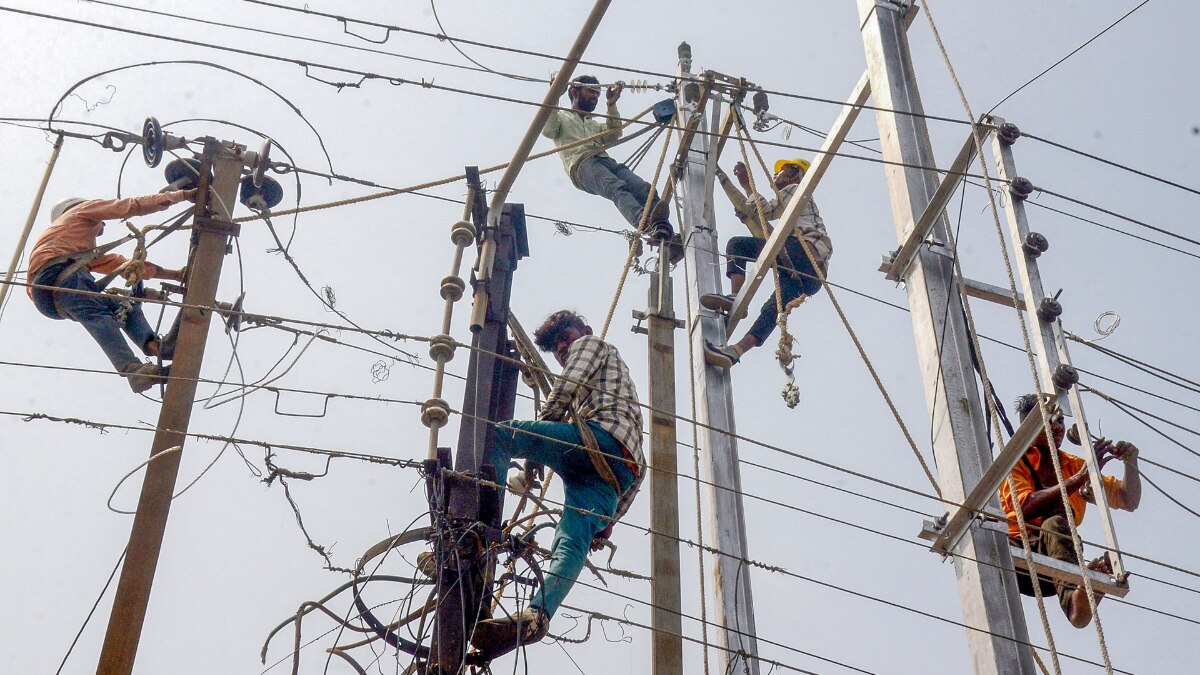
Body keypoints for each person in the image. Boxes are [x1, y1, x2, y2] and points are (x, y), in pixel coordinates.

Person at [471, 310, 644, 655]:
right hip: (615, 472)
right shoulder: (621, 404)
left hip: (599, 440)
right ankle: (538, 615)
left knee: (502, 436)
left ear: (583, 330)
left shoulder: (591, 344)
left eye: (564, 336)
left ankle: (479, 528)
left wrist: (534, 451)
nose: (562, 347)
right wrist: (605, 524)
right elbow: (638, 472)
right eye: (554, 346)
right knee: (570, 543)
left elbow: (567, 385)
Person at [27, 191, 195, 392]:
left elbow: (127, 265)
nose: (102, 227)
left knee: (125, 306)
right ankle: (133, 371)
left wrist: (176, 275)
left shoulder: (74, 246)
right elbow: (130, 206)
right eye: (101, 225)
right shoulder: (80, 212)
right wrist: (181, 195)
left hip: (50, 298)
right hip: (60, 276)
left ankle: (157, 348)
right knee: (98, 315)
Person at [999, 394, 1142, 628]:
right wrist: (1080, 479)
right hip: (1020, 556)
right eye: (1050, 420)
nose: (1058, 427)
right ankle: (1075, 605)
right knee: (1054, 522)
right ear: (1030, 426)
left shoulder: (1071, 464)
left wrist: (1131, 462)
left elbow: (1128, 499)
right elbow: (1026, 506)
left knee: (1060, 527)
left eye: (1061, 421)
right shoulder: (1017, 461)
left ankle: (1083, 592)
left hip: (1057, 560)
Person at [702, 157, 832, 368]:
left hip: (801, 252)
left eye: (780, 171)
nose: (775, 175)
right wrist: (748, 216)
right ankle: (736, 350)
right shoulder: (796, 208)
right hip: (810, 274)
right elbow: (766, 228)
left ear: (793, 175)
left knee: (737, 246)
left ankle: (736, 298)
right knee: (773, 309)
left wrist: (746, 184)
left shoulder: (796, 189)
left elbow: (767, 212)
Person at [541, 75, 681, 260]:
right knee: (615, 187)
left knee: (645, 190)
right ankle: (643, 222)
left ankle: (663, 233)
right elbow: (548, 130)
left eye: (598, 95)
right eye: (591, 92)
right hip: (582, 165)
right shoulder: (561, 117)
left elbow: (614, 134)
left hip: (605, 161)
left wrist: (611, 104)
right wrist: (554, 97)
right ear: (574, 92)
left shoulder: (593, 124)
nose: (595, 98)